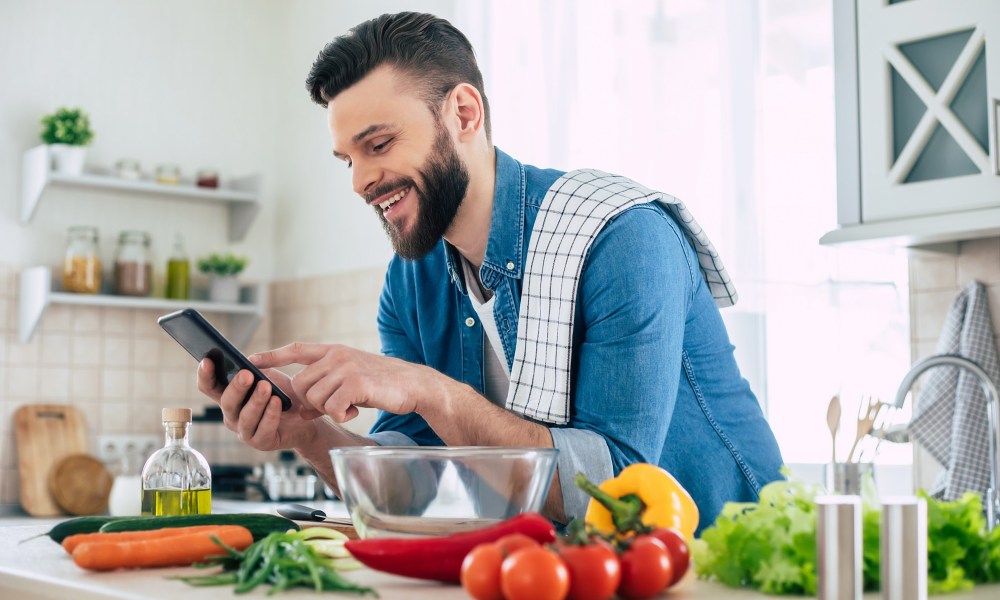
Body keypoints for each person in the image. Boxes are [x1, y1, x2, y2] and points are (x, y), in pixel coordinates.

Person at [197, 11, 784, 533]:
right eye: (349, 159)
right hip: (577, 570)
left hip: (724, 564)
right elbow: (425, 493)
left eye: (379, 144)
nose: (359, 181)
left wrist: (428, 390)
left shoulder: (622, 237)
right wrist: (309, 435)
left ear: (464, 112)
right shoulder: (412, 279)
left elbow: (616, 488)